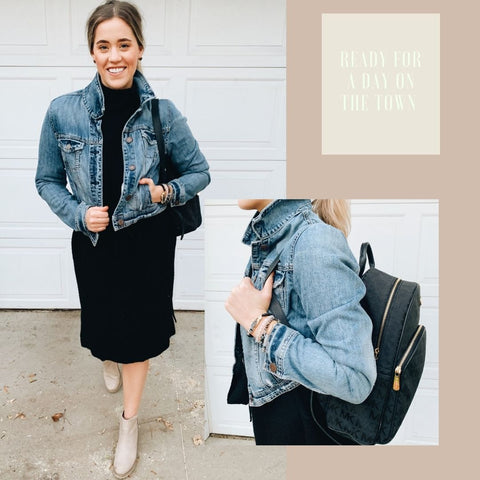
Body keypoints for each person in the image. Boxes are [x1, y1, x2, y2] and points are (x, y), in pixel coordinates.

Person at [35, 1, 210, 477]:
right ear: (92, 53)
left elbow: (200, 173)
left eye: (124, 45)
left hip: (148, 244)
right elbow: (46, 180)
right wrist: (76, 212)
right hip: (94, 245)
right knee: (104, 328)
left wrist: (166, 190)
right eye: (103, 45)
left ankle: (129, 423)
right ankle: (107, 354)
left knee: (139, 339)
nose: (115, 56)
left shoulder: (163, 114)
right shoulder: (62, 112)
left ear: (140, 49)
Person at [225, 199, 377, 445]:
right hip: (285, 417)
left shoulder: (313, 242)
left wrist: (259, 324)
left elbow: (355, 379)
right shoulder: (277, 239)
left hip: (307, 427)